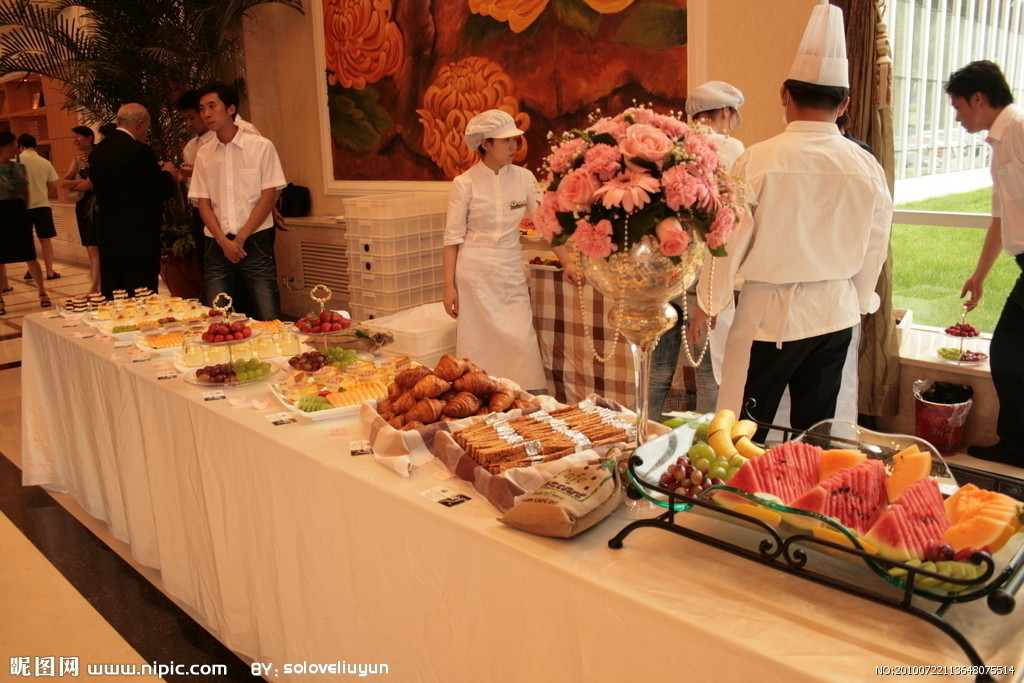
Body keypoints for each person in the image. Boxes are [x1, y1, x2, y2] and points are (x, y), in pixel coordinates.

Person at [702, 3, 892, 440]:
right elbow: (874, 246)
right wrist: (859, 300)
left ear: (784, 93)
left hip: (769, 317)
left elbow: (726, 238)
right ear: (844, 103)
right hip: (834, 314)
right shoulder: (866, 166)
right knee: (816, 433)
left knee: (743, 433)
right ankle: (806, 497)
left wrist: (712, 303)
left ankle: (739, 501)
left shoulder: (758, 160)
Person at [648, 81, 745, 419]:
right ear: (724, 113)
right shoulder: (731, 149)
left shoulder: (668, 150)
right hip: (708, 273)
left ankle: (645, 441)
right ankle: (707, 450)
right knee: (710, 375)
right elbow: (735, 220)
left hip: (667, 270)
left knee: (658, 370)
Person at [946, 60, 1024, 467]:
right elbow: (1001, 218)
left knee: (1010, 350)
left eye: (959, 107)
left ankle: (1016, 444)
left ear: (979, 99)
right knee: (1011, 351)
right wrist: (980, 275)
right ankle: (1016, 442)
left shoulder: (1019, 129)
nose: (957, 117)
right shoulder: (1000, 141)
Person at [443, 109, 548, 390]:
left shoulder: (525, 178)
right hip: (474, 272)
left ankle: (523, 399)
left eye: (515, 139)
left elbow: (547, 225)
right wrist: (449, 287)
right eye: (506, 141)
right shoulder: (463, 183)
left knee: (521, 338)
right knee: (477, 341)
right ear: (485, 144)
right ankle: (477, 397)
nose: (514, 146)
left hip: (510, 267)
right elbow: (452, 238)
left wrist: (569, 262)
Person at [188, 82, 286, 321]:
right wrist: (223, 241)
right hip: (216, 244)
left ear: (231, 109)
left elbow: (268, 197)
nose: (207, 114)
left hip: (254, 241)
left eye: (212, 106)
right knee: (216, 314)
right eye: (202, 109)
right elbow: (203, 203)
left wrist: (240, 239)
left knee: (268, 312)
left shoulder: (261, 147)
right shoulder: (204, 153)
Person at [89, 103, 177, 299]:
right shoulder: (139, 151)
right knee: (141, 294)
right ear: (139, 124)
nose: (146, 132)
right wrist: (168, 173)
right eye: (147, 127)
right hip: (138, 235)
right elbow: (160, 189)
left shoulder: (98, 152)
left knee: (115, 294)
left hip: (108, 232)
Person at [0, 131, 50, 314]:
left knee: (29, 254)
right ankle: (0, 300)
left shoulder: (18, 168)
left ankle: (43, 292)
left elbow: (25, 192)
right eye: (12, 145)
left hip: (17, 212)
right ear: (2, 147)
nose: (16, 149)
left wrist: (25, 211)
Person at [60, 126, 101, 294]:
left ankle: (95, 287)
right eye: (74, 137)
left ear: (90, 137)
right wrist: (79, 184)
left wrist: (77, 184)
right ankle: (97, 283)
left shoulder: (98, 157)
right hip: (82, 205)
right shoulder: (77, 160)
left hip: (97, 205)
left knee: (95, 247)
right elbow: (64, 183)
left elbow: (91, 184)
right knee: (89, 246)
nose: (75, 140)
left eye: (78, 136)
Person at [16, 134, 60, 281]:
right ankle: (49, 271)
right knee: (45, 240)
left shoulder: (15, 162)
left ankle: (31, 271)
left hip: (22, 208)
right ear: (35, 146)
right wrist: (43, 195)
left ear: (20, 146)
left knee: (27, 240)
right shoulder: (45, 162)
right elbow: (53, 186)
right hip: (42, 206)